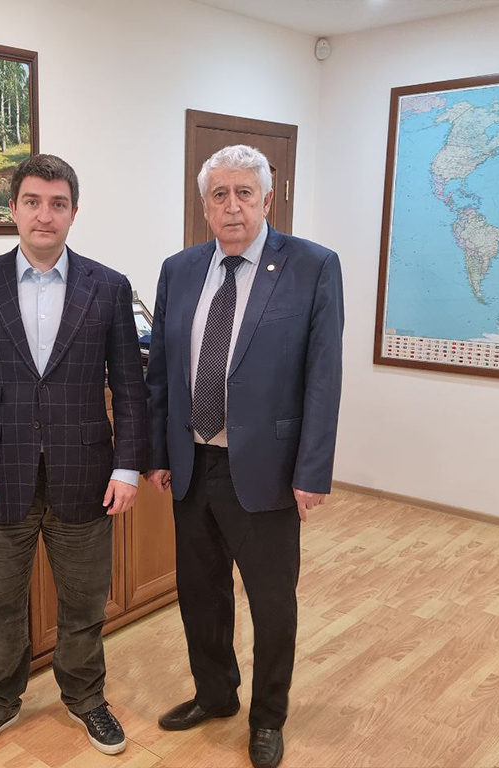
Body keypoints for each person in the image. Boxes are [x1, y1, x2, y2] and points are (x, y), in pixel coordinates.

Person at [0, 154, 147, 763]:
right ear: (13, 209)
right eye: (32, 202)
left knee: (84, 603)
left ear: (74, 212)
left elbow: (129, 386)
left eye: (57, 204)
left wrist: (127, 466)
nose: (44, 215)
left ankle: (85, 696)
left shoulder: (108, 287)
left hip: (87, 475)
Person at [144, 145, 344, 768]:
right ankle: (215, 694)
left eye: (244, 193)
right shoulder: (180, 270)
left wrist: (312, 470)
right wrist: (157, 451)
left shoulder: (312, 266)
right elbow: (162, 373)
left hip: (266, 470)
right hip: (192, 464)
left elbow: (324, 376)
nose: (232, 206)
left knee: (271, 602)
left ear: (266, 199)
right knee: (200, 593)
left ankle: (268, 717)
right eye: (219, 195)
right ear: (204, 205)